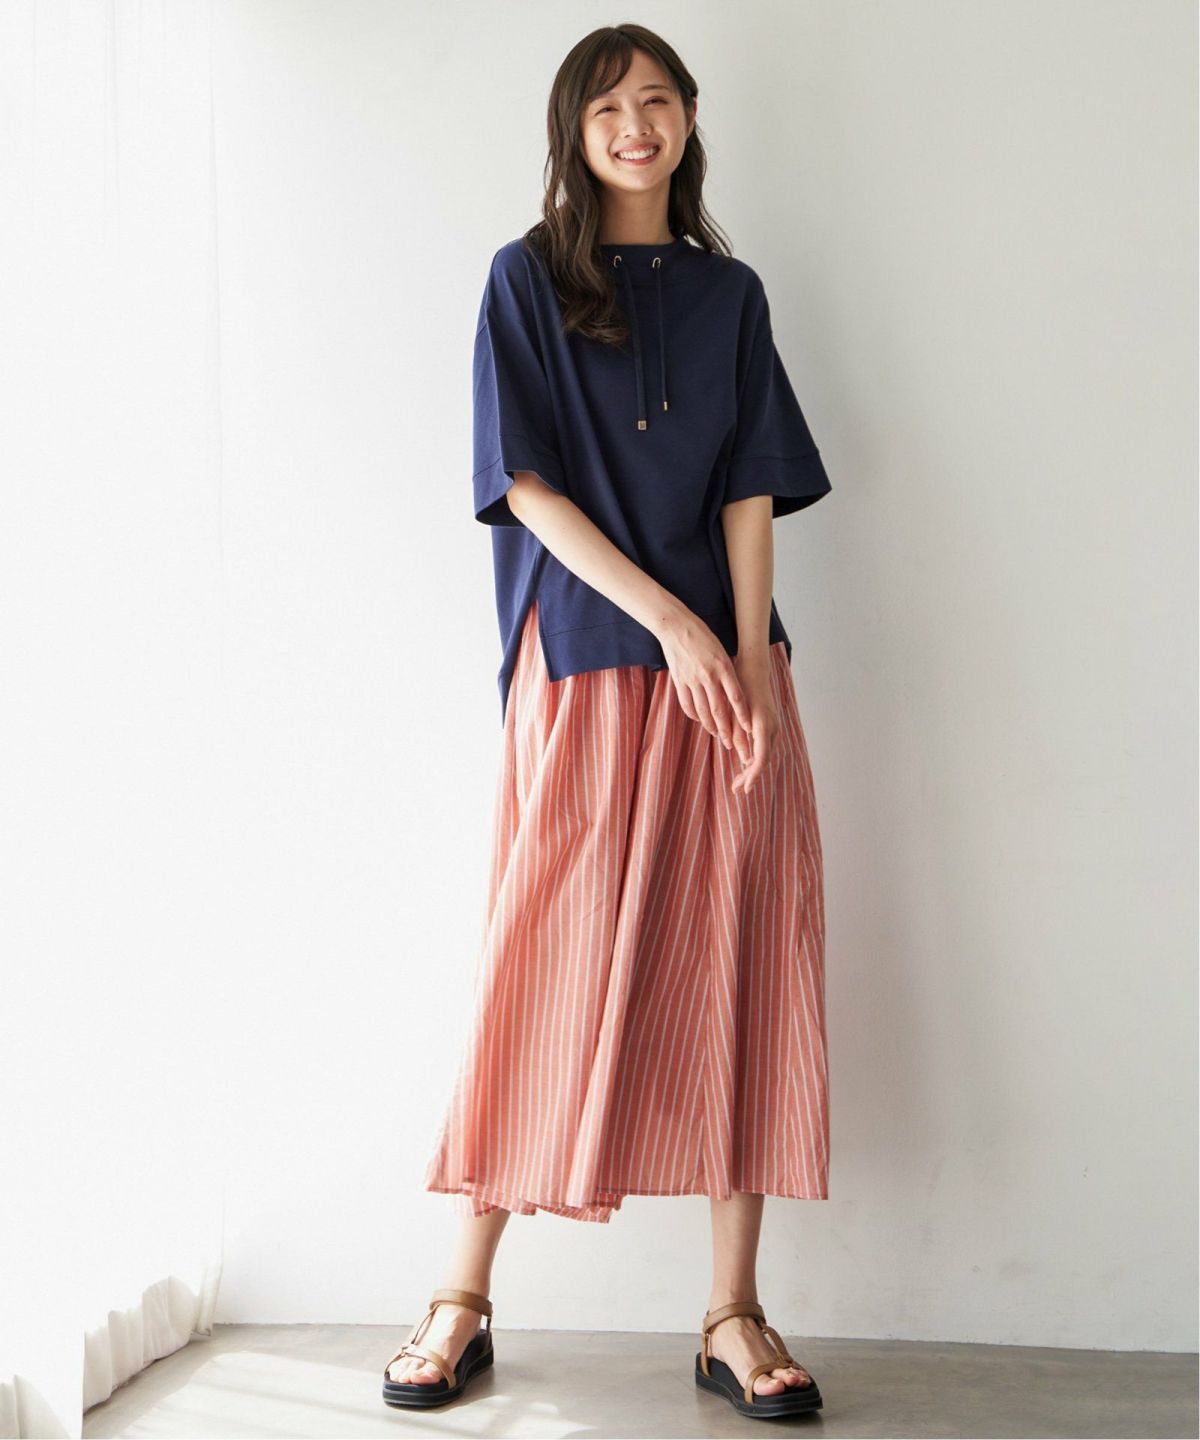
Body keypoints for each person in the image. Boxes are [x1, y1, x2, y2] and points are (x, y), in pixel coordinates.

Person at [383, 23, 831, 1421]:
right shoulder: (526, 279)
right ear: (572, 135)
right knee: (544, 961)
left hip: (729, 677)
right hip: (585, 660)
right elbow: (524, 485)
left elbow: (750, 482)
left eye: (656, 100)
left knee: (743, 959)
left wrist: (744, 653)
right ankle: (461, 1297)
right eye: (607, 108)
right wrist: (675, 626)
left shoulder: (731, 293)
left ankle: (733, 1312)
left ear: (689, 117)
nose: (636, 124)